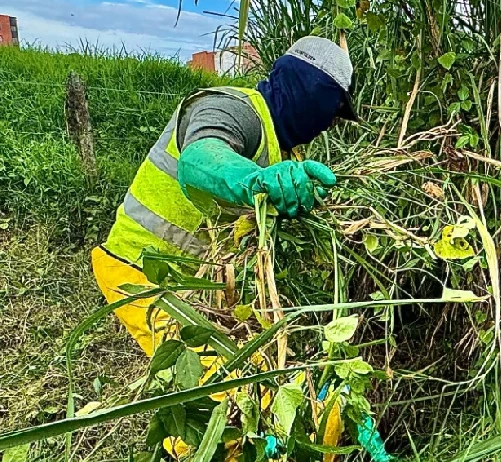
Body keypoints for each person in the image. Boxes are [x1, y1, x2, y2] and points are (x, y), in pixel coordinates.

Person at [93, 36, 356, 355]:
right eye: (334, 109)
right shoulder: (234, 108)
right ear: (311, 92)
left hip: (197, 282)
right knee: (227, 390)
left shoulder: (283, 150)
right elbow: (200, 157)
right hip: (140, 271)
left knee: (258, 375)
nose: (330, 124)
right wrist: (256, 181)